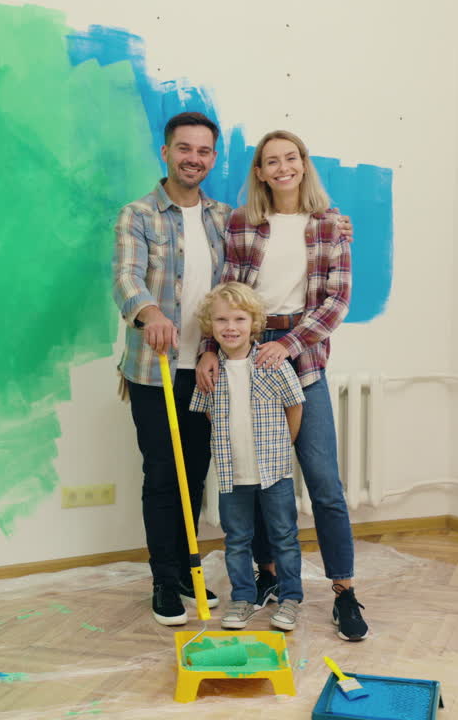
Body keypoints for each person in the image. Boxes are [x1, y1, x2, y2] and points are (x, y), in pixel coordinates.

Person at [196, 129, 369, 641]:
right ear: (261, 172)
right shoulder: (243, 224)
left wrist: (289, 344)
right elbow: (225, 290)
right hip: (245, 356)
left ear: (302, 164)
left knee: (323, 482)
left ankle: (344, 591)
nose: (282, 168)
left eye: (290, 158)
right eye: (271, 161)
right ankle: (268, 579)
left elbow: (335, 303)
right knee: (255, 474)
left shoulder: (330, 225)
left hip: (302, 356)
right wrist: (211, 346)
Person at [112, 112, 230, 626]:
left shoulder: (224, 218)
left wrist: (335, 225)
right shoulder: (137, 214)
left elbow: (250, 269)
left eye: (204, 152)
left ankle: (187, 568)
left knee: (196, 472)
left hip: (206, 369)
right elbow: (125, 275)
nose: (193, 159)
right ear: (166, 153)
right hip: (152, 370)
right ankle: (163, 580)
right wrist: (149, 312)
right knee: (163, 474)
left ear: (213, 158)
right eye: (184, 149)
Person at [190, 283, 305, 631]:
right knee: (236, 539)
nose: (230, 327)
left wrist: (283, 447)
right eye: (221, 319)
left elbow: (295, 406)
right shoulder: (210, 373)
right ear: (210, 325)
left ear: (254, 322)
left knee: (284, 535)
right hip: (232, 474)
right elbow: (208, 412)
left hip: (274, 472)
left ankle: (290, 598)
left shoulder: (272, 363)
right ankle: (242, 597)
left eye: (239, 318)